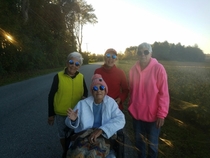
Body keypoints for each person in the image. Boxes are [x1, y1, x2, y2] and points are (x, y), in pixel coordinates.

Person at [65, 74, 125, 158]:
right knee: (78, 154)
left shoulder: (111, 103)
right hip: (84, 135)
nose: (99, 91)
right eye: (95, 88)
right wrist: (74, 120)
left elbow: (120, 119)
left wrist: (102, 130)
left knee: (94, 154)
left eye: (102, 88)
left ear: (105, 91)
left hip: (104, 136)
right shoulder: (82, 104)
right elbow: (68, 122)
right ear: (92, 91)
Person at [128, 42, 170, 158]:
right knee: (139, 145)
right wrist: (130, 104)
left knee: (152, 146)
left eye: (146, 52)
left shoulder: (158, 68)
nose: (143, 54)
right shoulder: (133, 70)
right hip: (137, 115)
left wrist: (162, 114)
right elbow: (132, 90)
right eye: (140, 52)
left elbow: (164, 93)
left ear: (150, 53)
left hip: (153, 117)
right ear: (137, 54)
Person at [48, 52, 88, 157]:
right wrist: (51, 114)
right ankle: (65, 151)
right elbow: (51, 95)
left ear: (79, 67)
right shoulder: (58, 76)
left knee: (75, 134)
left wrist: (84, 99)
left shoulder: (81, 77)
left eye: (77, 64)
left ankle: (73, 152)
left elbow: (85, 93)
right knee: (63, 135)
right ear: (66, 63)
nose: (73, 66)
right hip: (61, 113)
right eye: (71, 62)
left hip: (76, 113)